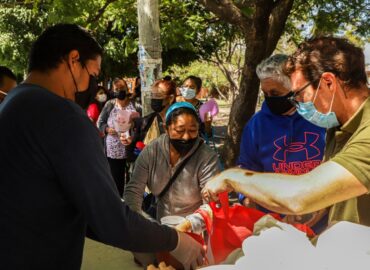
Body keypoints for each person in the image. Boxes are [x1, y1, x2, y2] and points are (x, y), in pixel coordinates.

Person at [0, 23, 203, 269]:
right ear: (73, 60)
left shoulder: (12, 104)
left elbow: (77, 209)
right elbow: (111, 220)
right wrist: (176, 240)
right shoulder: (63, 116)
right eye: (93, 74)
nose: (94, 86)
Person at [202, 36, 370, 228]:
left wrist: (231, 177)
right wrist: (316, 207)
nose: (297, 102)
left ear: (329, 83)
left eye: (299, 94)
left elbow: (299, 195)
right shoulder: (339, 126)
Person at [238, 54, 327, 233]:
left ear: (294, 89)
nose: (270, 99)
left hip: (318, 220)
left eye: (275, 94)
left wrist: (322, 206)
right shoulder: (256, 125)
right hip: (272, 222)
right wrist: (247, 199)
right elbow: (247, 169)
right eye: (266, 94)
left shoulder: (319, 118)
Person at [125, 102, 221, 220]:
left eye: (192, 130)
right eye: (180, 131)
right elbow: (134, 190)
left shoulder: (206, 157)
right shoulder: (152, 151)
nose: (186, 137)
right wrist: (136, 220)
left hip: (195, 229)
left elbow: (211, 203)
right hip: (160, 225)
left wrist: (190, 225)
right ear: (166, 128)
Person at [97, 86, 137, 197]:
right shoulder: (110, 104)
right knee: (115, 178)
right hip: (113, 150)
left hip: (130, 148)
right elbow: (100, 122)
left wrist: (132, 126)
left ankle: (129, 201)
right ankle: (117, 200)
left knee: (131, 178)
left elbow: (141, 124)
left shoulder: (135, 105)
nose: (120, 103)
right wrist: (107, 129)